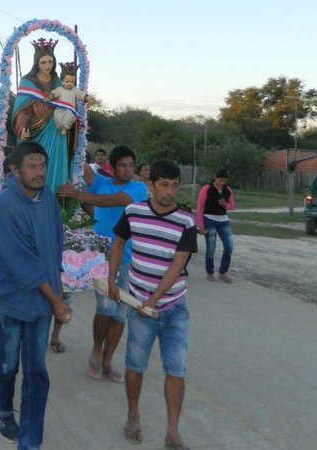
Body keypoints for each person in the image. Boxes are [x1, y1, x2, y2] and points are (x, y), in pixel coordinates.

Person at [0, 141, 71, 448]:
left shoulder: (47, 196)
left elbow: (55, 245)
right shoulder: (5, 204)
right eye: (31, 166)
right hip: (9, 298)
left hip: (42, 299)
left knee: (37, 370)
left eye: (42, 166)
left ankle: (30, 442)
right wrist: (57, 301)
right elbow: (24, 264)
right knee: (9, 363)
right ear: (14, 170)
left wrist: (58, 292)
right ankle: (3, 408)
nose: (38, 172)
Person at [108, 160, 197, 449]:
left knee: (176, 370)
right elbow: (118, 243)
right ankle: (132, 416)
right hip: (139, 307)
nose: (169, 191)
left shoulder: (186, 220)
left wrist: (153, 301)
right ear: (151, 185)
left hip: (173, 309)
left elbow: (177, 266)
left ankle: (172, 431)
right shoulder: (133, 212)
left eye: (174, 185)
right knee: (135, 366)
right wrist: (111, 280)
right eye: (164, 184)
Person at [57, 145, 147, 383]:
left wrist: (77, 195)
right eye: (123, 165)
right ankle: (97, 350)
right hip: (102, 261)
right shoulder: (102, 182)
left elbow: (110, 201)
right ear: (112, 167)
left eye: (131, 165)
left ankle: (108, 360)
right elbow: (82, 166)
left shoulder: (138, 188)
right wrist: (72, 134)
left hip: (128, 259)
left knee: (121, 313)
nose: (128, 170)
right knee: (106, 309)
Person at [12, 38, 70, 194]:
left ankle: (56, 200)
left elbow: (68, 102)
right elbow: (20, 110)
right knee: (35, 163)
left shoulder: (59, 82)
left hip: (56, 129)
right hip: (36, 130)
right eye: (43, 62)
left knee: (55, 163)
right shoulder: (27, 82)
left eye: (50, 62)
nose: (47, 66)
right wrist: (22, 125)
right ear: (36, 63)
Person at [196, 168, 235, 283]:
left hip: (223, 220)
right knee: (211, 248)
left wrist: (225, 205)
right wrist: (200, 225)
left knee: (229, 247)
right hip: (209, 219)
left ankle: (223, 272)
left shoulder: (227, 190)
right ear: (214, 177)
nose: (222, 183)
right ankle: (210, 272)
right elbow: (199, 207)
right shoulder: (206, 189)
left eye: (224, 181)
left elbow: (232, 206)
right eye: (220, 180)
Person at [48, 62, 88, 135]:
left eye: (72, 82)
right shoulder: (60, 89)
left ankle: (65, 127)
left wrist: (87, 98)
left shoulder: (75, 90)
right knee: (56, 113)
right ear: (62, 81)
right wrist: (50, 96)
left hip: (70, 110)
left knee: (70, 115)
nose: (70, 83)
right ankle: (60, 127)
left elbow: (82, 95)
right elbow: (55, 93)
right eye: (67, 81)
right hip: (60, 109)